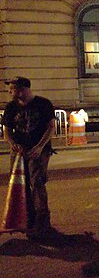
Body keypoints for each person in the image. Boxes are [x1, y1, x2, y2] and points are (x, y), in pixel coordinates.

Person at [1, 76, 56, 240]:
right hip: (19, 152)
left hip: (38, 150)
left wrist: (40, 147)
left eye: (13, 89)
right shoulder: (10, 107)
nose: (10, 92)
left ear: (23, 89)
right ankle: (27, 221)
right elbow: (7, 131)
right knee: (20, 185)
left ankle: (43, 224)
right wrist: (12, 144)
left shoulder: (43, 104)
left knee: (37, 183)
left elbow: (51, 127)